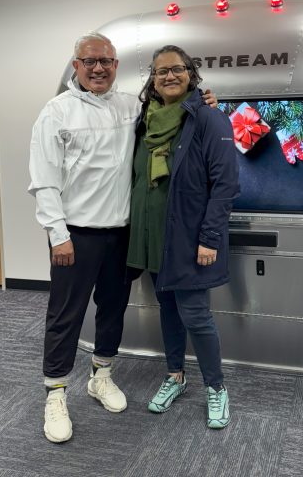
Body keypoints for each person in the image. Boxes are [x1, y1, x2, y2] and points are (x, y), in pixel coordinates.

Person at [28, 33, 217, 444]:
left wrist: (203, 103)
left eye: (106, 61)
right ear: (76, 66)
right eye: (89, 61)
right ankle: (56, 394)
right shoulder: (56, 111)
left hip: (121, 234)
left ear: (116, 65)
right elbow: (43, 181)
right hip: (75, 235)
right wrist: (57, 235)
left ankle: (102, 375)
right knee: (65, 316)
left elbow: (173, 115)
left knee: (113, 309)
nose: (98, 68)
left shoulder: (133, 106)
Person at [126, 45, 239, 429]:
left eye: (177, 69)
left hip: (190, 240)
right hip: (153, 236)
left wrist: (209, 237)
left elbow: (225, 185)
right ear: (153, 80)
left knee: (196, 315)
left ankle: (216, 387)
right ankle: (175, 376)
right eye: (161, 71)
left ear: (191, 74)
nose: (169, 76)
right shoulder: (145, 120)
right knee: (169, 310)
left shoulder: (208, 118)